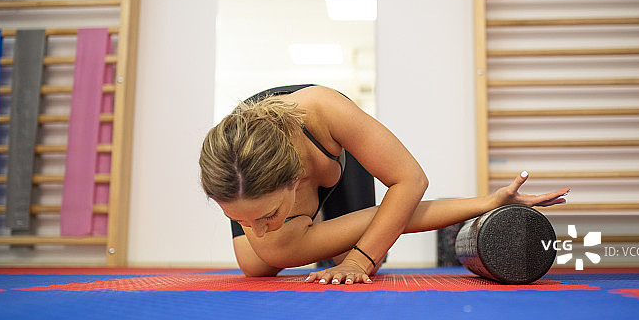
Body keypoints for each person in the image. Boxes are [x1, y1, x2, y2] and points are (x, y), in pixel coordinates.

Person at [199, 84, 569, 285]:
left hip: (324, 143)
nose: (257, 231)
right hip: (252, 155)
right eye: (244, 221)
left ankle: (329, 238)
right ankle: (311, 233)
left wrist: (362, 258)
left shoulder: (325, 110)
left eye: (266, 216)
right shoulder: (236, 172)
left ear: (297, 181)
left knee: (359, 259)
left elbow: (410, 181)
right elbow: (390, 217)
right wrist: (484, 203)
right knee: (258, 264)